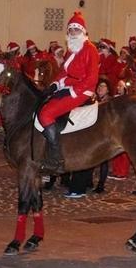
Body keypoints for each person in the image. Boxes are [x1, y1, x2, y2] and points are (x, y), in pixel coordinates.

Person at [38, 11, 99, 174]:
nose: (72, 33)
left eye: (76, 30)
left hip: (82, 91)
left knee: (46, 114)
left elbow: (92, 79)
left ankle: (57, 159)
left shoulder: (90, 50)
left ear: (83, 32)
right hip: (68, 87)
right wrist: (54, 84)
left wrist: (71, 90)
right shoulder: (71, 49)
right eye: (70, 30)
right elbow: (64, 72)